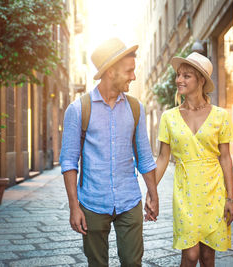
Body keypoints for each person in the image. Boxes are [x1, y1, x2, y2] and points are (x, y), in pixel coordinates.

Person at [60, 37, 159, 267]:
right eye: (129, 71)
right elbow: (68, 162)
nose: (134, 76)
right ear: (111, 72)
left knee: (133, 263)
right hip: (93, 202)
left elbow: (144, 156)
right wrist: (74, 207)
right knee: (97, 264)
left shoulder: (136, 108)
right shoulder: (78, 109)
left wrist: (152, 193)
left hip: (129, 200)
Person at [147, 52, 233, 267]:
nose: (179, 80)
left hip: (214, 191)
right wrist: (152, 192)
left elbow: (225, 158)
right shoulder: (169, 117)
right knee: (191, 255)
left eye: (186, 76)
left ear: (201, 80)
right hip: (185, 191)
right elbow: (162, 158)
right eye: (178, 75)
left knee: (207, 256)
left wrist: (230, 198)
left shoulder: (221, 116)